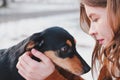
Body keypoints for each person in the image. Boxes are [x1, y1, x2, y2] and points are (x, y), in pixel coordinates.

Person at [17, 0, 120, 80]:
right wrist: (63, 72)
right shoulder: (113, 58)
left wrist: (50, 78)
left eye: (95, 19)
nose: (91, 31)